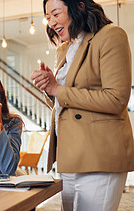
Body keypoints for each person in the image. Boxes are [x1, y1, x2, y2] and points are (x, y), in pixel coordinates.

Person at [30, 0, 134, 210]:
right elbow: (64, 102)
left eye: (56, 13)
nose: (51, 22)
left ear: (79, 6)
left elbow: (116, 99)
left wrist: (58, 89)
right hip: (69, 155)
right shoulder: (64, 50)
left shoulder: (111, 35)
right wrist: (49, 86)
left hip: (99, 154)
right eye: (48, 17)